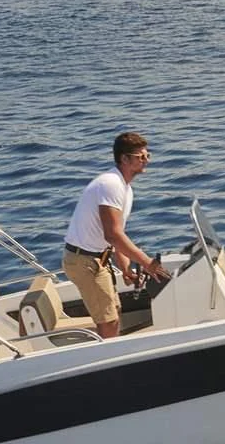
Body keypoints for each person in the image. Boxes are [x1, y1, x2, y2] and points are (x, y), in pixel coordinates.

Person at [61, 131, 168, 338]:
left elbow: (116, 237)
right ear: (124, 159)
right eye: (140, 157)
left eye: (147, 155)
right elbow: (113, 235)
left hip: (97, 258)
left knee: (114, 313)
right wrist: (147, 263)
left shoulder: (124, 188)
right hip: (84, 261)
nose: (146, 161)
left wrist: (126, 268)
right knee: (109, 321)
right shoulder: (111, 185)